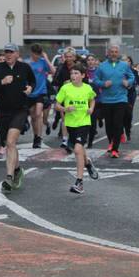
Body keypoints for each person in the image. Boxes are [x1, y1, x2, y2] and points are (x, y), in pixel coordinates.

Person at [0, 43, 35, 194]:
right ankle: (18, 169)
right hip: (3, 112)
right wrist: (2, 82)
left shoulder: (24, 67)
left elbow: (33, 81)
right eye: (6, 52)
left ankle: (8, 177)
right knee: (8, 143)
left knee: (11, 141)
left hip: (20, 110)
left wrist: (30, 88)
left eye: (11, 52)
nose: (8, 55)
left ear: (17, 54)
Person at [55, 64, 99, 194]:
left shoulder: (87, 88)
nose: (73, 76)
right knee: (79, 150)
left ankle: (79, 183)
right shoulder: (65, 88)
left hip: (84, 122)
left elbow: (92, 99)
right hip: (70, 124)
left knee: (78, 149)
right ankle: (88, 163)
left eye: (76, 73)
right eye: (72, 73)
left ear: (83, 75)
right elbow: (57, 105)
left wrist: (91, 109)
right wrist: (65, 109)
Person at [93, 46, 134, 158]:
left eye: (116, 52)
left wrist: (128, 82)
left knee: (118, 123)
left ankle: (115, 149)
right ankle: (111, 142)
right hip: (106, 100)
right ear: (108, 53)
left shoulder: (124, 65)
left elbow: (132, 77)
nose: (114, 54)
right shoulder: (102, 66)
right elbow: (95, 79)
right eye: (112, 52)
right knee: (109, 125)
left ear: (118, 53)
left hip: (121, 99)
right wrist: (103, 84)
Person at [27, 44, 55, 149]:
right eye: (36, 54)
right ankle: (35, 136)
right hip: (30, 92)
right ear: (32, 53)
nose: (38, 56)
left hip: (41, 91)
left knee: (38, 114)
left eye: (39, 54)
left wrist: (46, 59)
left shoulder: (43, 62)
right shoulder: (27, 63)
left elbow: (53, 71)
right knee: (33, 116)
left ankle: (39, 137)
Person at [52, 48, 78, 148]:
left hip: (77, 95)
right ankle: (65, 140)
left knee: (74, 118)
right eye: (66, 57)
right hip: (64, 95)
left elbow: (85, 80)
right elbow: (55, 81)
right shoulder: (61, 67)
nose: (68, 58)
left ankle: (73, 137)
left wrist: (73, 83)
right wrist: (63, 83)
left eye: (70, 56)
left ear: (74, 57)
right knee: (65, 118)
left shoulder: (78, 67)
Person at [123, 56, 139, 142]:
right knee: (120, 113)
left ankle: (128, 130)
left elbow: (138, 82)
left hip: (131, 94)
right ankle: (121, 131)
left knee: (128, 113)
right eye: (124, 61)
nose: (126, 62)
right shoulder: (118, 71)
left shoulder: (133, 71)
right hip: (121, 94)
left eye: (128, 61)